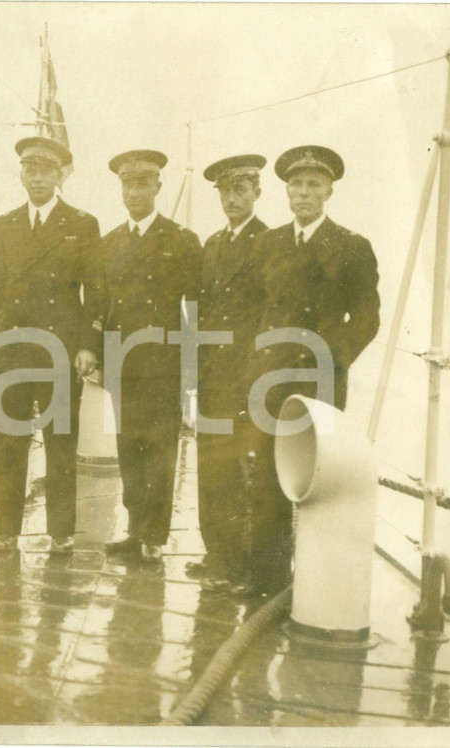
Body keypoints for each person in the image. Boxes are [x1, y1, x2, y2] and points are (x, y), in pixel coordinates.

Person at [245, 144, 381, 595]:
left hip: (318, 380)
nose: (304, 193)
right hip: (269, 376)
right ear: (285, 190)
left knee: (317, 475)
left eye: (313, 185)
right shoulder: (267, 243)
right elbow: (254, 311)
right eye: (296, 184)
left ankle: (316, 585)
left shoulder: (352, 246)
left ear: (328, 191)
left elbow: (366, 318)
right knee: (266, 475)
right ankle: (267, 581)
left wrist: (330, 356)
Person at [0, 136, 100, 554]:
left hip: (61, 350)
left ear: (59, 175)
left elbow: (94, 290)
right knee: (9, 442)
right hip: (15, 348)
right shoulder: (5, 224)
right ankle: (5, 530)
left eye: (44, 170)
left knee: (60, 441)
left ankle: (62, 532)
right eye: (29, 170)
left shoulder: (82, 224)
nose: (36, 178)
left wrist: (88, 344)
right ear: (21, 174)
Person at [96, 150, 202, 563]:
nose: (134, 192)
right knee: (129, 451)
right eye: (127, 184)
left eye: (143, 183)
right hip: (123, 364)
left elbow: (194, 309)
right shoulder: (110, 243)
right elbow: (102, 307)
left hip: (163, 364)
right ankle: (134, 528)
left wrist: (191, 368)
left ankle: (153, 537)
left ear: (158, 186)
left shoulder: (181, 241)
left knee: (159, 453)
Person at [191, 154, 269, 590]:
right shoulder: (213, 245)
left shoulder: (270, 241)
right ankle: (215, 552)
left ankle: (237, 562)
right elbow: (201, 312)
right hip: (211, 374)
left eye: (241, 190)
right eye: (225, 191)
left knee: (240, 470)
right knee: (211, 466)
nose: (232, 199)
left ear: (257, 192)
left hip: (246, 375)